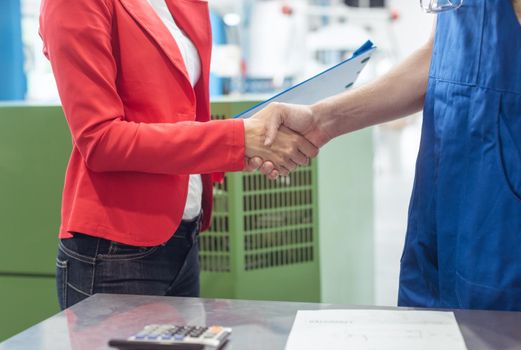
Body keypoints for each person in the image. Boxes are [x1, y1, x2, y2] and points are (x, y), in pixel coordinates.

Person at [39, 0, 318, 310]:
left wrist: (243, 147)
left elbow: (176, 114)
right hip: (117, 246)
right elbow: (100, 139)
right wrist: (237, 139)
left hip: (185, 234)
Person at [253, 0, 521, 310]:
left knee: (500, 325)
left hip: (505, 205)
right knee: (431, 321)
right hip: (443, 192)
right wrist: (320, 119)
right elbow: (437, 59)